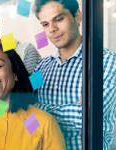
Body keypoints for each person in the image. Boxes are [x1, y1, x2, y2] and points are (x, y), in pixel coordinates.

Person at [33, 0, 116, 149]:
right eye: (45, 24)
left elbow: (87, 116)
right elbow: (25, 112)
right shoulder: (41, 68)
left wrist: (39, 110)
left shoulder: (106, 62)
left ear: (78, 17)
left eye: (59, 19)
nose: (52, 29)